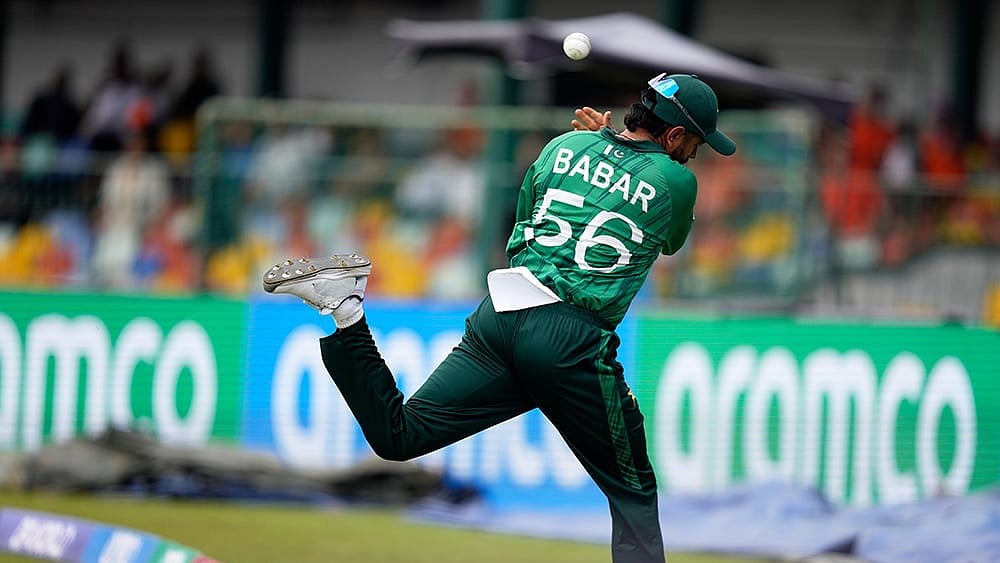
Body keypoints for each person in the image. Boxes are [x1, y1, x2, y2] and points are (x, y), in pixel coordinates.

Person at [262, 73, 736, 563]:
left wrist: (597, 147)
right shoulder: (677, 179)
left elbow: (528, 214)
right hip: (568, 340)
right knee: (633, 491)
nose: (693, 157)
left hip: (502, 315)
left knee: (398, 436)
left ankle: (346, 312)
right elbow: (672, 240)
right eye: (695, 145)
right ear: (675, 135)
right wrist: (618, 159)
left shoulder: (565, 144)